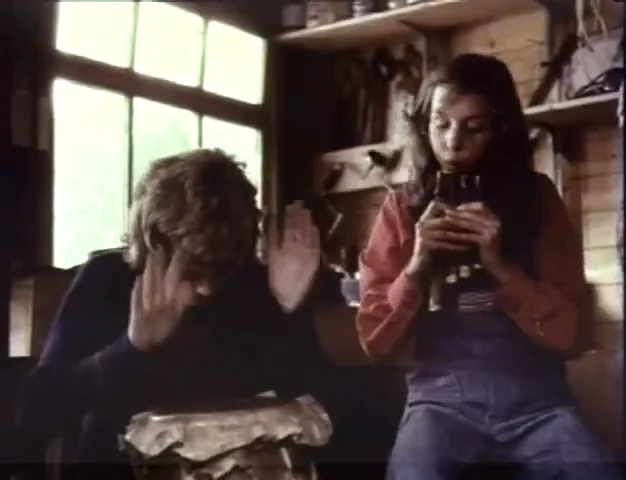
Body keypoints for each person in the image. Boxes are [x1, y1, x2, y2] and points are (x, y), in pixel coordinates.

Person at [356, 53, 622, 480]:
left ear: (500, 130)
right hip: (439, 404)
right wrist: (418, 266)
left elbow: (573, 336)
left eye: (473, 127)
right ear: (424, 126)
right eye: (441, 123)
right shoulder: (401, 209)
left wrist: (501, 266)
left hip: (538, 404)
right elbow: (375, 343)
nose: (453, 142)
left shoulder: (538, 199)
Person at [14, 149, 325, 475]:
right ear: (152, 242)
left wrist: (288, 314)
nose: (206, 289)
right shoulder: (107, 280)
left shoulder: (253, 284)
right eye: (193, 269)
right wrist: (131, 350)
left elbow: (319, 420)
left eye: (219, 270)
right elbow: (32, 413)